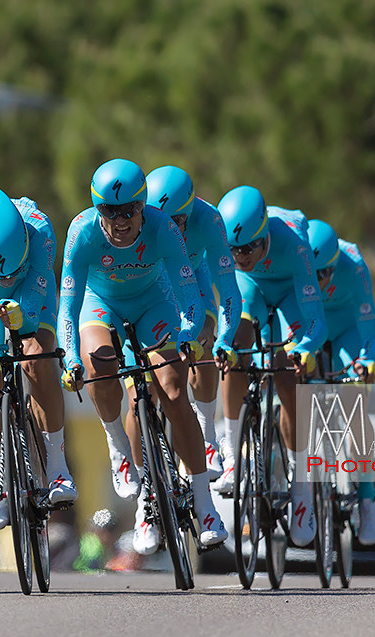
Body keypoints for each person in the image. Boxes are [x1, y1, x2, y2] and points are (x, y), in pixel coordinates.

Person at [57, 158, 227, 555]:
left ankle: (204, 505)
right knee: (100, 365)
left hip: (154, 304)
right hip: (102, 306)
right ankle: (121, 452)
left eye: (129, 210)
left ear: (142, 205)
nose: (120, 221)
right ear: (97, 209)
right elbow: (68, 306)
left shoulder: (163, 228)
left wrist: (187, 335)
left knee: (171, 388)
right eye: (109, 211)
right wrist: (70, 360)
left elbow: (189, 294)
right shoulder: (81, 233)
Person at [0, 188, 77, 532]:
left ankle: (57, 467)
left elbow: (38, 283)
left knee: (37, 360)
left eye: (10, 270)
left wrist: (25, 317)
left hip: (31, 296)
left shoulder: (40, 229)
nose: (5, 277)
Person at [214, 186, 328, 548]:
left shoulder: (293, 241)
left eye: (247, 248)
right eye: (232, 250)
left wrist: (306, 348)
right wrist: (222, 344)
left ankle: (301, 483)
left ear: (264, 236)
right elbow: (227, 306)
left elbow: (316, 320)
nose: (239, 256)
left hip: (291, 292)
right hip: (251, 291)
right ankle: (232, 453)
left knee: (287, 372)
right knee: (236, 347)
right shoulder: (233, 257)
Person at [146, 165, 241, 481]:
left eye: (178, 221)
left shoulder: (210, 219)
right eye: (163, 222)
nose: (171, 229)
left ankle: (207, 435)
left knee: (204, 339)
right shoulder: (141, 216)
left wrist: (225, 339)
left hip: (194, 276)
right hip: (154, 284)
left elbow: (228, 289)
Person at [305, 219, 375, 545]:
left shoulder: (353, 265)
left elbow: (369, 327)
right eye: (314, 274)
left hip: (347, 330)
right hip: (308, 328)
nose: (320, 281)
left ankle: (366, 495)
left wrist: (367, 362)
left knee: (354, 403)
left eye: (326, 273)